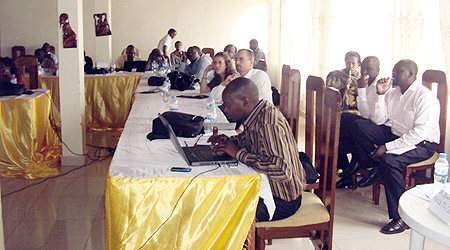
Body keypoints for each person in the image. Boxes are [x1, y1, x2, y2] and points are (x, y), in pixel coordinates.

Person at [352, 59, 439, 234]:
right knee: (359, 125)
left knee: (389, 160)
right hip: (398, 135)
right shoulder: (393, 93)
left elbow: (419, 134)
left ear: (411, 75)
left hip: (421, 143)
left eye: (398, 72)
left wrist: (388, 146)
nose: (393, 75)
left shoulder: (424, 97)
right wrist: (381, 95)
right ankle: (374, 167)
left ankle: (400, 217)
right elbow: (378, 120)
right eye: (393, 71)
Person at [208, 77, 305, 221]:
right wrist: (230, 143)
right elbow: (255, 143)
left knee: (223, 213)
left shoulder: (268, 124)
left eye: (228, 105)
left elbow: (282, 170)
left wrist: (237, 153)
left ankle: (242, 243)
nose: (226, 110)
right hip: (269, 188)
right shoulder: (255, 114)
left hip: (281, 199)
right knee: (218, 197)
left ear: (245, 101)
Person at [336, 56, 383, 189]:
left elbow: (371, 117)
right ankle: (347, 168)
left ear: (378, 70)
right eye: (363, 68)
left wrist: (361, 90)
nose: (365, 72)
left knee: (355, 126)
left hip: (379, 126)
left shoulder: (379, 86)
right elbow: (364, 112)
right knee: (341, 120)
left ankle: (357, 163)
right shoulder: (366, 83)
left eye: (370, 69)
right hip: (368, 122)